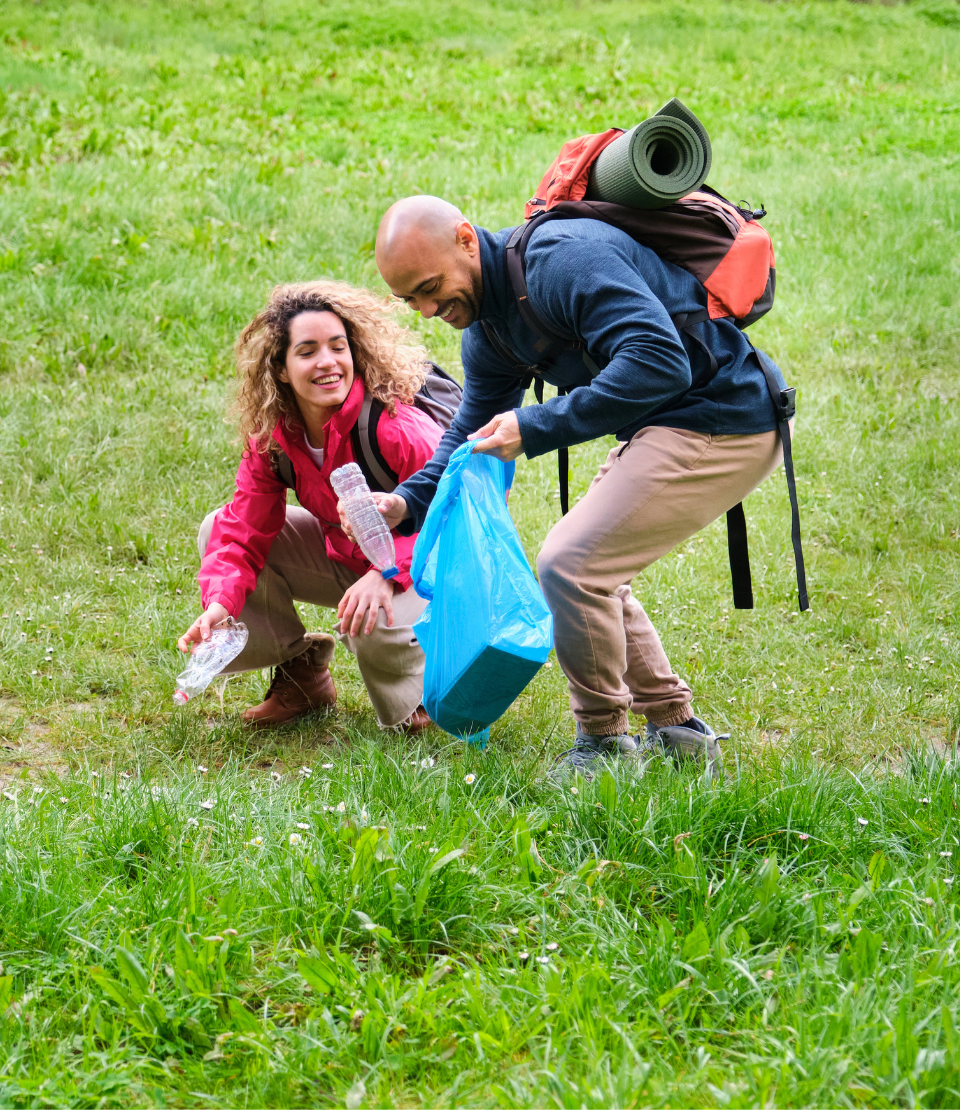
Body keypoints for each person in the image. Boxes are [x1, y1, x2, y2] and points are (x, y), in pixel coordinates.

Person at [358, 194, 791, 775]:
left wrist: (534, 426)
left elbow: (661, 361)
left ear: (466, 239)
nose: (427, 309)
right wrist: (405, 501)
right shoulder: (490, 329)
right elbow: (468, 427)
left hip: (728, 418)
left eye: (430, 288)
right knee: (588, 572)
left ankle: (604, 743)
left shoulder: (560, 261)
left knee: (570, 565)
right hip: (670, 422)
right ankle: (677, 730)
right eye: (410, 299)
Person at [178, 280, 443, 730]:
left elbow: (456, 513)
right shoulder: (275, 438)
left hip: (437, 569)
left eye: (338, 347)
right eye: (307, 351)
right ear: (281, 369)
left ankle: (425, 702)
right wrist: (221, 604)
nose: (327, 362)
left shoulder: (395, 426)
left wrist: (387, 575)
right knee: (215, 529)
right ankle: (302, 675)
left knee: (373, 614)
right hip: (354, 559)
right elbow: (243, 529)